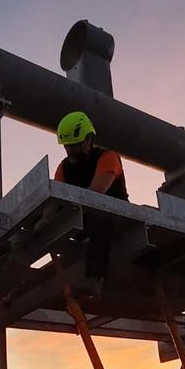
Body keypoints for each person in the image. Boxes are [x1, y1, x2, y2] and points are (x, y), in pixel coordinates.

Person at [53, 111, 128, 284]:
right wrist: (44, 219)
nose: (70, 150)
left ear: (88, 140)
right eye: (66, 146)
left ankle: (95, 277)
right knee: (41, 213)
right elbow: (56, 199)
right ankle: (14, 247)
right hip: (82, 217)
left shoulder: (108, 157)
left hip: (114, 218)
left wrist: (62, 214)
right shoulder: (64, 167)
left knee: (101, 217)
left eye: (74, 145)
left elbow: (95, 194)